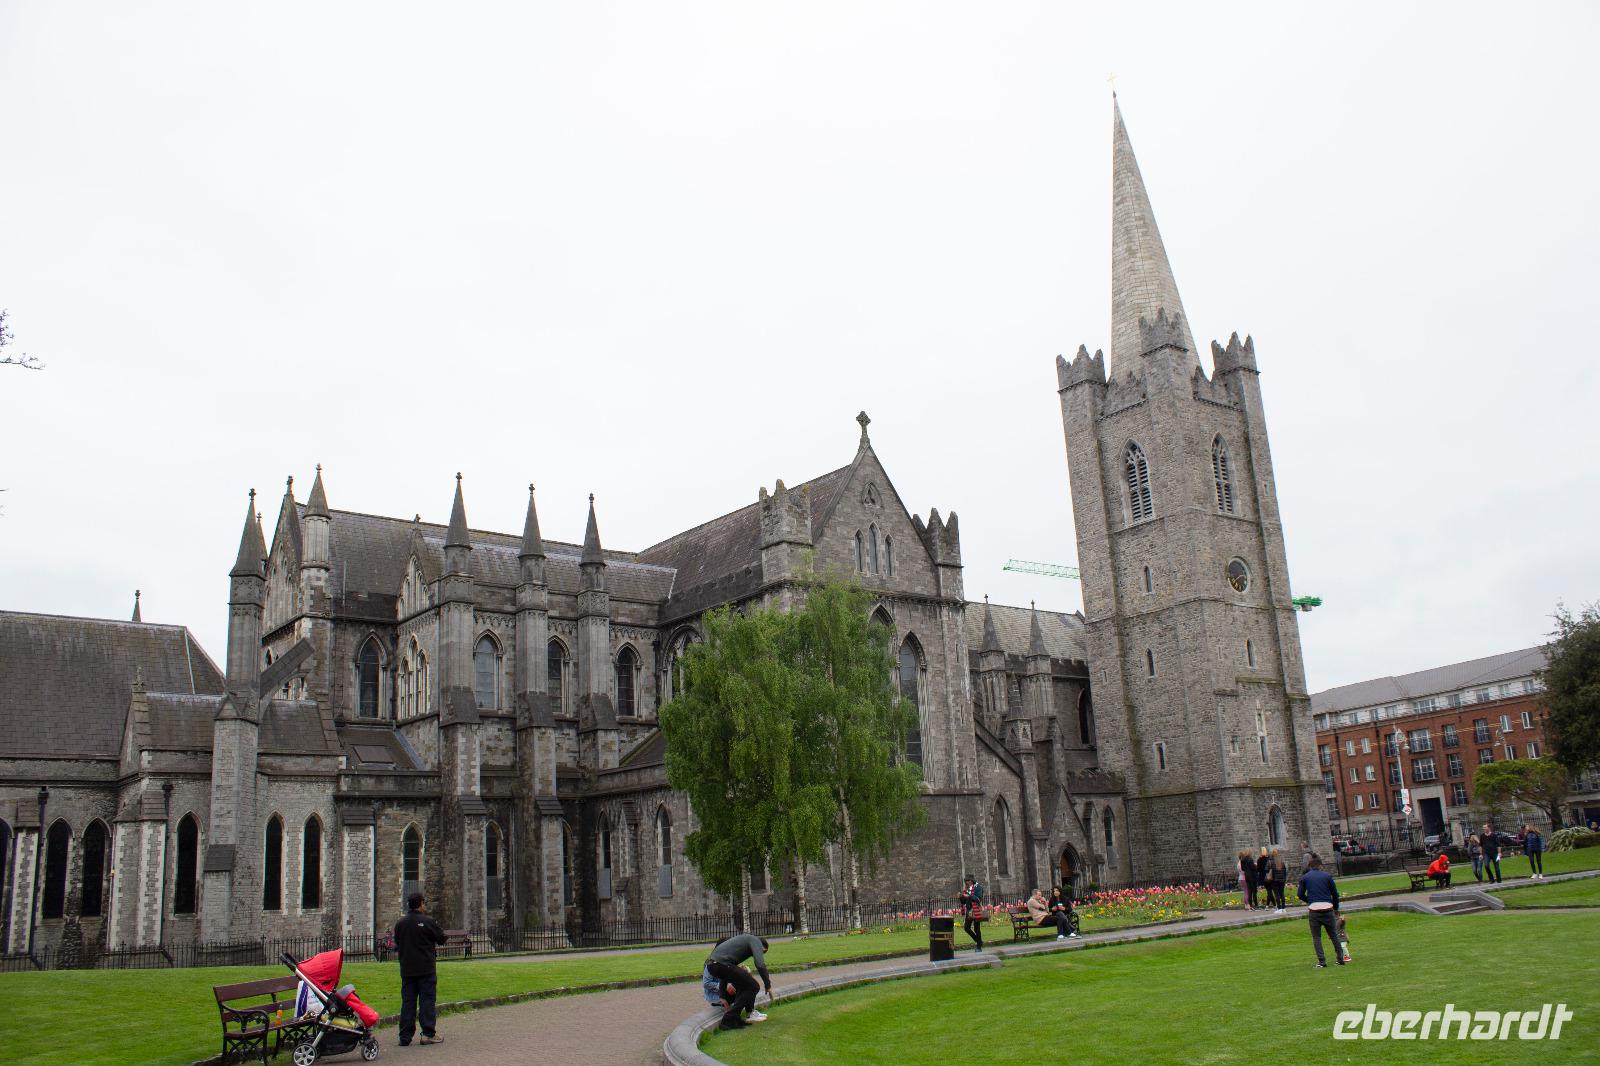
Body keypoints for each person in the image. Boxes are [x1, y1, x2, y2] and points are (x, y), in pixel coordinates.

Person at [393, 892, 448, 1047]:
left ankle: (405, 1036)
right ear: (421, 904)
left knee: (408, 1002)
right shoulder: (427, 921)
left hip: (407, 969)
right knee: (427, 1001)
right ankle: (428, 1034)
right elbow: (441, 938)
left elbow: (397, 943)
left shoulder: (400, 923)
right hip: (425, 968)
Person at [705, 933, 772, 1031]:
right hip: (719, 964)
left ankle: (735, 1019)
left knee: (744, 985)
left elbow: (725, 975)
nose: (759, 954)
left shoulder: (739, 948)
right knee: (753, 986)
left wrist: (722, 995)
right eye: (762, 952)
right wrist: (767, 985)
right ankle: (728, 1020)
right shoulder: (755, 940)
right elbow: (760, 965)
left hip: (713, 965)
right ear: (761, 946)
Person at [1296, 855, 1344, 968]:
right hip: (1327, 908)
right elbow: (1335, 894)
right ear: (1320, 866)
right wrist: (1335, 907)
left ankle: (1322, 961)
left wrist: (1309, 901)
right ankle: (1340, 959)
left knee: (1316, 937)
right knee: (1333, 935)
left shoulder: (1305, 877)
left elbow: (1300, 894)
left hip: (1314, 910)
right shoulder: (1327, 876)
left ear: (1310, 866)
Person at [959, 876, 986, 952]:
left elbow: (978, 899)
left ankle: (979, 947)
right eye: (965, 881)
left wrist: (969, 896)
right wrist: (961, 897)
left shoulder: (978, 888)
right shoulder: (967, 889)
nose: (966, 883)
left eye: (967, 881)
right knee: (966, 928)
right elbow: (964, 902)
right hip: (969, 911)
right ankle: (979, 941)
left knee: (976, 929)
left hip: (976, 910)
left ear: (971, 881)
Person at [1265, 849, 1288, 913]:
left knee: (1276, 894)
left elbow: (1266, 869)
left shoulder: (1270, 861)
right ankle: (1283, 908)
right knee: (1282, 893)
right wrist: (1284, 878)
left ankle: (1279, 908)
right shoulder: (1281, 861)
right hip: (1282, 879)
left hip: (1274, 880)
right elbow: (1285, 870)